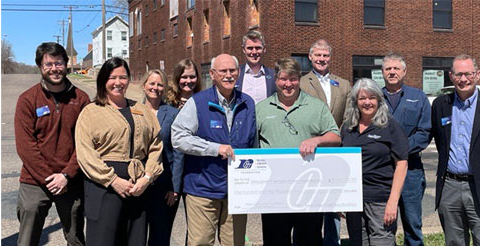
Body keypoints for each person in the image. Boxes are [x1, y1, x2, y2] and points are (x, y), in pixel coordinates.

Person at [74, 57, 162, 245]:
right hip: (104, 188)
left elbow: (156, 145)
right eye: (112, 77)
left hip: (137, 188)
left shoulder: (141, 110)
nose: (118, 83)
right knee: (103, 240)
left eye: (123, 77)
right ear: (103, 80)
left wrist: (147, 178)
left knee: (134, 240)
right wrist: (113, 180)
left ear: (129, 80)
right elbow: (85, 153)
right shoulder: (91, 112)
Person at [172, 54, 256, 246]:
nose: (228, 75)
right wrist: (214, 148)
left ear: (239, 72)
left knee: (235, 243)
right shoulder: (198, 102)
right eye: (223, 71)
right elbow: (178, 137)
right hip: (203, 189)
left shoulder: (248, 103)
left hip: (236, 191)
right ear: (212, 74)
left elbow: (253, 144)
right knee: (201, 242)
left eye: (232, 70)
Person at [255, 58, 341, 246]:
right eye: (283, 79)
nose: (288, 84)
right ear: (276, 80)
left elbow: (336, 136)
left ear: (299, 79)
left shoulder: (316, 106)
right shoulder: (260, 109)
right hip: (273, 191)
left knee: (309, 240)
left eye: (293, 79)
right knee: (275, 241)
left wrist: (317, 139)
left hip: (309, 190)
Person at [14, 42, 89, 246]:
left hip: (71, 180)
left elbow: (86, 143)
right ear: (40, 66)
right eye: (49, 64)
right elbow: (25, 146)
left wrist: (66, 175)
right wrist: (50, 178)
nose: (54, 68)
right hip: (35, 180)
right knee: (26, 239)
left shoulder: (81, 99)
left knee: (75, 238)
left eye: (59, 63)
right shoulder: (28, 99)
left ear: (66, 64)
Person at [431, 54, 480, 245]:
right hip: (449, 186)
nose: (463, 79)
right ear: (451, 76)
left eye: (468, 74)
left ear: (477, 74)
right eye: (458, 75)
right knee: (454, 242)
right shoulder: (441, 105)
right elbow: (433, 137)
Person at [340, 79, 409, 245]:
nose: (367, 102)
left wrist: (393, 201)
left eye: (371, 97)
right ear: (355, 102)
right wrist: (340, 198)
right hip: (354, 202)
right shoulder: (348, 127)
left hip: (380, 200)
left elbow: (402, 163)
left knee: (382, 242)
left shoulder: (390, 126)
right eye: (362, 98)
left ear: (379, 99)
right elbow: (341, 164)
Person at [299, 40, 352, 245]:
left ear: (330, 58)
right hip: (310, 150)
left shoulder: (344, 83)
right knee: (308, 204)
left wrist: (335, 137)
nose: (322, 59)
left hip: (335, 150)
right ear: (310, 57)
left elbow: (348, 118)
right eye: (318, 55)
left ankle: (332, 242)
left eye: (325, 56)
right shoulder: (302, 83)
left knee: (333, 204)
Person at [379, 54, 431, 246]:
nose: (392, 72)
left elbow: (425, 132)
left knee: (413, 225)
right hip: (382, 171)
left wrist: (398, 150)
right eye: (388, 69)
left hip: (411, 170)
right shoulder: (374, 97)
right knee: (384, 224)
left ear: (404, 71)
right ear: (382, 72)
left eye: (396, 69)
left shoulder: (418, 97)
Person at [141, 67, 183, 246]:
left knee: (160, 236)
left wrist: (175, 187)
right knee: (136, 235)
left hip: (164, 185)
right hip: (138, 184)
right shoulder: (133, 111)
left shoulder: (173, 114)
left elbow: (179, 153)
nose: (155, 88)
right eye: (152, 83)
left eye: (160, 84)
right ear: (144, 86)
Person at [235, 30, 276, 104]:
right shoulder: (236, 74)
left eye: (258, 48)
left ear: (264, 49)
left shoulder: (274, 76)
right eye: (250, 48)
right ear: (243, 50)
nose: (254, 52)